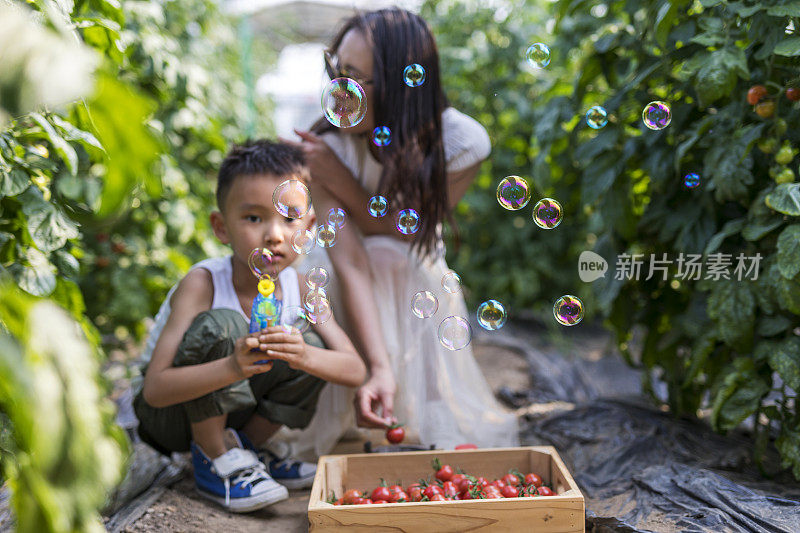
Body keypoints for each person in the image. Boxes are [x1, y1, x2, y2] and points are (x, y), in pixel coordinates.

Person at [279, 7, 518, 457]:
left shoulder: (459, 142)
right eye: (337, 70)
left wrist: (341, 181)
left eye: (356, 77)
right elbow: (348, 260)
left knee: (394, 254)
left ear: (403, 85)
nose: (340, 90)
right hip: (338, 280)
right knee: (370, 260)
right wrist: (379, 366)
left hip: (411, 276)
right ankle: (361, 395)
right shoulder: (328, 147)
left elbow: (406, 232)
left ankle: (428, 411)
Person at [133, 140, 367, 513]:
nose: (274, 235)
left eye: (289, 219)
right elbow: (155, 391)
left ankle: (246, 453)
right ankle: (215, 459)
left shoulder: (304, 286)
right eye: (254, 218)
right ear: (220, 227)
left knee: (307, 348)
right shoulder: (204, 283)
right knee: (224, 326)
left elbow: (353, 369)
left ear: (308, 227)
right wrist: (230, 367)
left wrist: (304, 355)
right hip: (168, 419)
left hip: (230, 410)